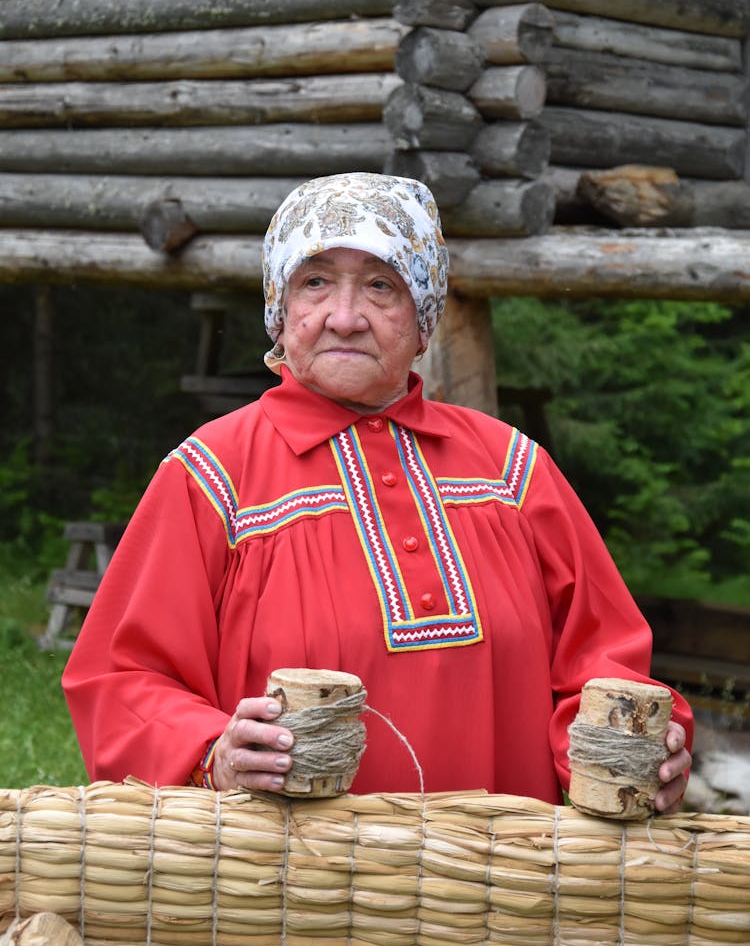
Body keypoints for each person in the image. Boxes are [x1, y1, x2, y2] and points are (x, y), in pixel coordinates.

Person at [63, 171, 692, 810]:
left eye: (380, 286)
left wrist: (632, 749)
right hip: (284, 891)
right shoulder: (211, 476)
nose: (344, 317)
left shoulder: (513, 471)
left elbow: (602, 663)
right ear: (279, 314)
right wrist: (210, 752)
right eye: (314, 282)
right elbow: (120, 681)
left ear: (424, 321)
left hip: (505, 883)